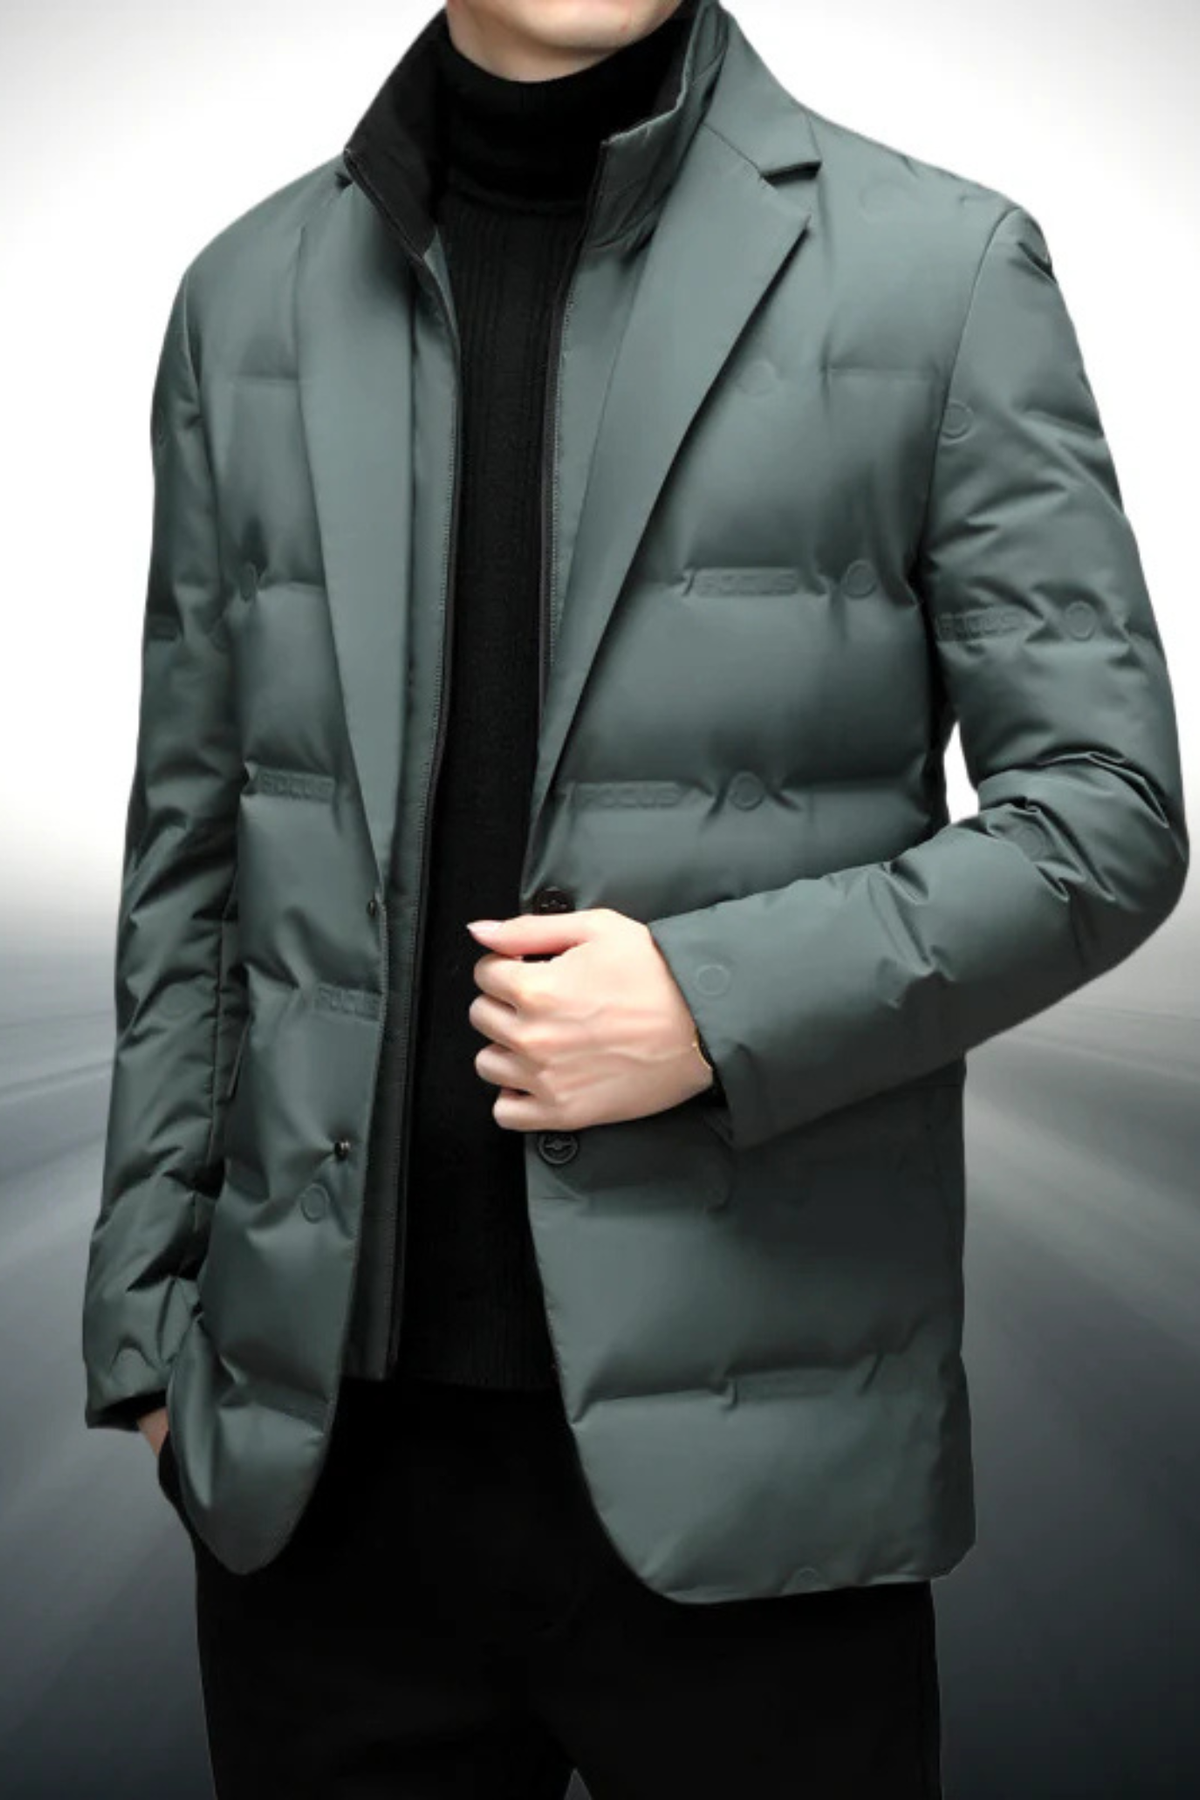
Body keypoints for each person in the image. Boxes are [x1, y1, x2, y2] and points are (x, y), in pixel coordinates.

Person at [80, 0, 1188, 1794]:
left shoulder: (946, 270)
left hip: (767, 1482)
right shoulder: (244, 297)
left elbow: (1107, 817)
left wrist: (710, 1006)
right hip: (321, 1495)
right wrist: (146, 1331)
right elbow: (196, 845)